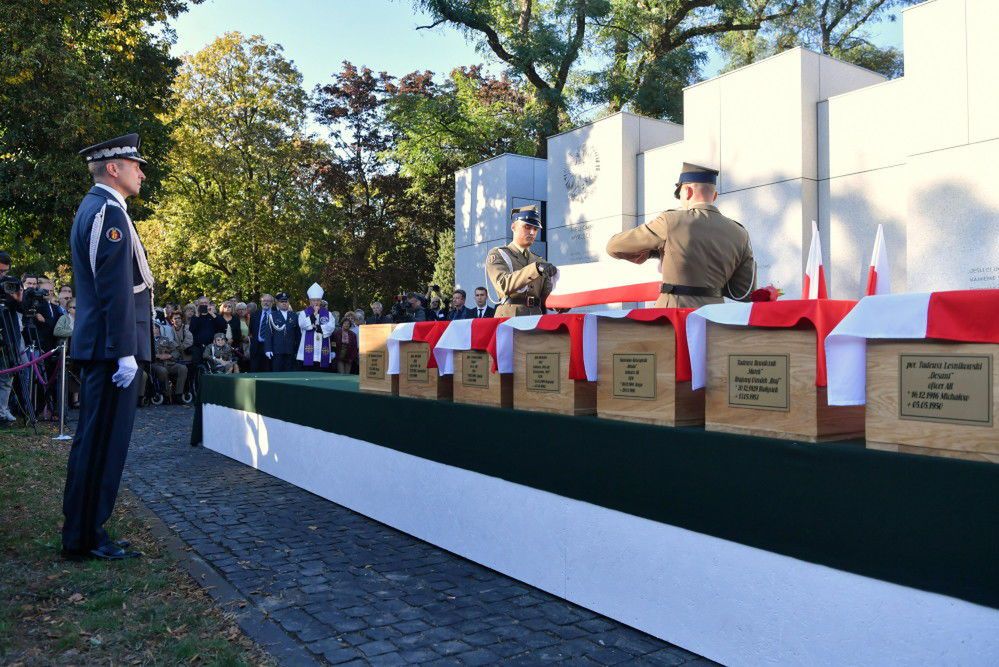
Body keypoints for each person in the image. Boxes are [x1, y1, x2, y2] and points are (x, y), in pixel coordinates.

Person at [63, 132, 152, 561]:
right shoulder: (106, 211)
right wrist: (124, 349)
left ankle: (85, 531)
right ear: (113, 168)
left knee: (97, 441)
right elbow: (112, 288)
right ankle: (87, 536)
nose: (141, 171)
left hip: (105, 345)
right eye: (134, 164)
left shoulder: (102, 208)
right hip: (108, 348)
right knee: (103, 443)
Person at [605, 163, 756, 307]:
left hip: (673, 317)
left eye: (680, 194)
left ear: (688, 191)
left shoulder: (671, 221)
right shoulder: (740, 233)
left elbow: (614, 246)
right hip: (713, 319)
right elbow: (744, 292)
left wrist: (653, 252)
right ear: (714, 196)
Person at [485, 205, 558, 317]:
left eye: (535, 229)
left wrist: (562, 302)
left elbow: (547, 296)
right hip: (509, 316)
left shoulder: (539, 261)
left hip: (535, 317)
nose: (532, 233)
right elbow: (503, 284)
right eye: (527, 227)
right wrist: (535, 269)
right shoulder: (499, 254)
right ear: (513, 226)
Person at [297, 283, 336, 371]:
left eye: (318, 300)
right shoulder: (303, 313)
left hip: (322, 349)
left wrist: (320, 328)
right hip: (307, 351)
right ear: (310, 301)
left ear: (321, 300)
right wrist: (314, 314)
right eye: (313, 300)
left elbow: (331, 327)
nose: (316, 302)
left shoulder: (328, 314)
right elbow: (302, 324)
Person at [151, 323, 189, 399]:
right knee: (163, 371)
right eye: (153, 328)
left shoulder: (166, 339)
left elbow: (176, 351)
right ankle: (166, 394)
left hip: (169, 363)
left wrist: (170, 355)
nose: (155, 330)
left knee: (183, 368)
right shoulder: (148, 341)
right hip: (156, 364)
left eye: (156, 328)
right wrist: (157, 356)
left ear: (159, 329)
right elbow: (146, 353)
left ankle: (178, 394)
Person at [264, 292, 298, 372]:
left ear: (288, 303)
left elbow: (297, 334)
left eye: (285, 301)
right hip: (277, 350)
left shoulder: (294, 315)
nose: (284, 303)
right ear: (277, 303)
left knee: (289, 373)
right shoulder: (272, 315)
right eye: (281, 302)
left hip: (290, 350)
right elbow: (268, 334)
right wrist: (268, 349)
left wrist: (298, 349)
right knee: (277, 372)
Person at [248, 293, 273, 372]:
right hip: (256, 347)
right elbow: (251, 330)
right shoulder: (255, 315)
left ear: (272, 302)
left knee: (267, 371)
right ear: (261, 302)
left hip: (270, 347)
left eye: (268, 301)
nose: (266, 303)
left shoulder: (276, 314)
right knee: (254, 371)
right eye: (264, 300)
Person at [188, 295, 215, 366]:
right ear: (198, 305)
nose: (204, 305)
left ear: (209, 304)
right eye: (201, 303)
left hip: (212, 347)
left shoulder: (213, 316)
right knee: (197, 367)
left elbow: (222, 325)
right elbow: (192, 330)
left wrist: (212, 313)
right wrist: (197, 313)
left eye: (205, 303)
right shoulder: (195, 317)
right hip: (198, 347)